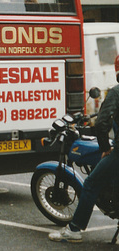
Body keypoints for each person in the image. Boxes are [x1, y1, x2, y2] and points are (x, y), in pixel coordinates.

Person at [49, 54, 119, 243]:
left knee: (90, 184)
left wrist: (105, 147)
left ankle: (74, 230)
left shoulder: (116, 92)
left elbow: (103, 122)